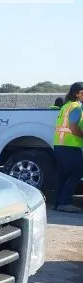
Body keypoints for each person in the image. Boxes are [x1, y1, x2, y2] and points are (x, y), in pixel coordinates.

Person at [53, 82, 83, 213]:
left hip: (60, 145)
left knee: (63, 175)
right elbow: (73, 126)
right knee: (77, 172)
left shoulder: (65, 106)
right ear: (77, 93)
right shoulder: (76, 107)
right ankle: (64, 202)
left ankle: (57, 202)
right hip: (71, 146)